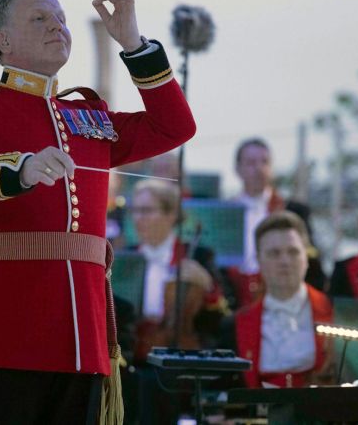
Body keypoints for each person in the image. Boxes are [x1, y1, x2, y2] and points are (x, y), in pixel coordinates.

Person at [0, 0, 196, 425]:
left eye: (62, 19)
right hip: (5, 333)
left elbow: (176, 126)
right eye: (40, 18)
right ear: (3, 40)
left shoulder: (88, 115)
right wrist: (19, 171)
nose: (57, 26)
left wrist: (133, 44)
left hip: (82, 336)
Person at [227, 211, 335, 388]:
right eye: (274, 253)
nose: (285, 261)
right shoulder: (235, 325)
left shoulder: (336, 313)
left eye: (293, 252)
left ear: (306, 257)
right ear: (258, 260)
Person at [128, 178, 225, 361]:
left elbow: (219, 319)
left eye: (147, 211)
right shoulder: (126, 256)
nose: (138, 218)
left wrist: (208, 285)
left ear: (171, 214)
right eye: (135, 210)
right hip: (133, 355)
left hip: (181, 355)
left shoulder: (198, 255)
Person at [224, 138, 323, 309]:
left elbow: (311, 260)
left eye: (265, 162)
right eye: (251, 163)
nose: (259, 168)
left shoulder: (293, 210)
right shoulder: (224, 212)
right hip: (233, 297)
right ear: (238, 169)